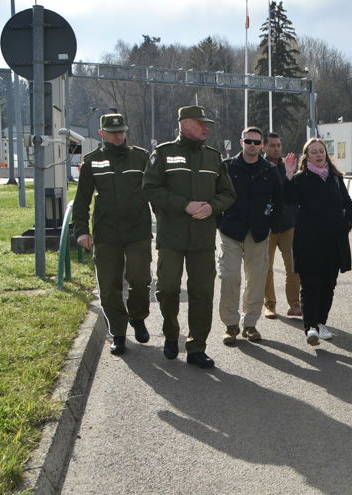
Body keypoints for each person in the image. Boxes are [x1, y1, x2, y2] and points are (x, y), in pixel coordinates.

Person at [143, 105, 235, 368]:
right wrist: (183, 204)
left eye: (207, 124)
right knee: (169, 289)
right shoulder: (162, 154)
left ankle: (197, 347)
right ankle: (172, 335)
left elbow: (228, 194)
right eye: (200, 123)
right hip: (172, 236)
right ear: (183, 123)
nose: (205, 127)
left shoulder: (213, 158)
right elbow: (149, 188)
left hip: (203, 238)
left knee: (202, 293)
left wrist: (212, 207)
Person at [72, 112, 152, 356]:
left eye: (122, 132)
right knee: (109, 286)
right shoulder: (92, 161)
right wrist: (81, 231)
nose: (118, 136)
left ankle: (137, 317)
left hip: (137, 230)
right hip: (106, 233)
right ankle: (118, 333)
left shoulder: (141, 157)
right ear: (102, 133)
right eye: (113, 132)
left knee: (139, 280)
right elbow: (82, 200)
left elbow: (155, 192)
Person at [283, 138, 352, 345]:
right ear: (307, 157)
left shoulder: (335, 178)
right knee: (310, 285)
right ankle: (310, 328)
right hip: (308, 243)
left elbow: (348, 206)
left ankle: (321, 323)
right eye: (313, 152)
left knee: (328, 286)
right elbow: (288, 200)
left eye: (321, 151)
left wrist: (345, 226)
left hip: (333, 243)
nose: (318, 154)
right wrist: (288, 175)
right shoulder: (300, 179)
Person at [217, 126, 282, 346]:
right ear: (241, 142)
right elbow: (216, 195)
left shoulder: (269, 170)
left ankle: (250, 324)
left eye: (256, 142)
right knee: (230, 277)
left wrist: (268, 221)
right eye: (248, 141)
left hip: (259, 233)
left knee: (256, 280)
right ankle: (230, 325)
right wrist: (220, 221)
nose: (252, 146)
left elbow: (278, 201)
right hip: (231, 232)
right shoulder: (227, 167)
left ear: (262, 145)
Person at [262, 131, 301, 319]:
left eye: (279, 145)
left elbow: (293, 194)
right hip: (267, 227)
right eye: (272, 145)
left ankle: (294, 304)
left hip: (288, 224)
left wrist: (290, 175)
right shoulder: (259, 166)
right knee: (266, 268)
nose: (276, 148)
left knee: (294, 266)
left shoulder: (288, 166)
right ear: (264, 146)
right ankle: (270, 304)